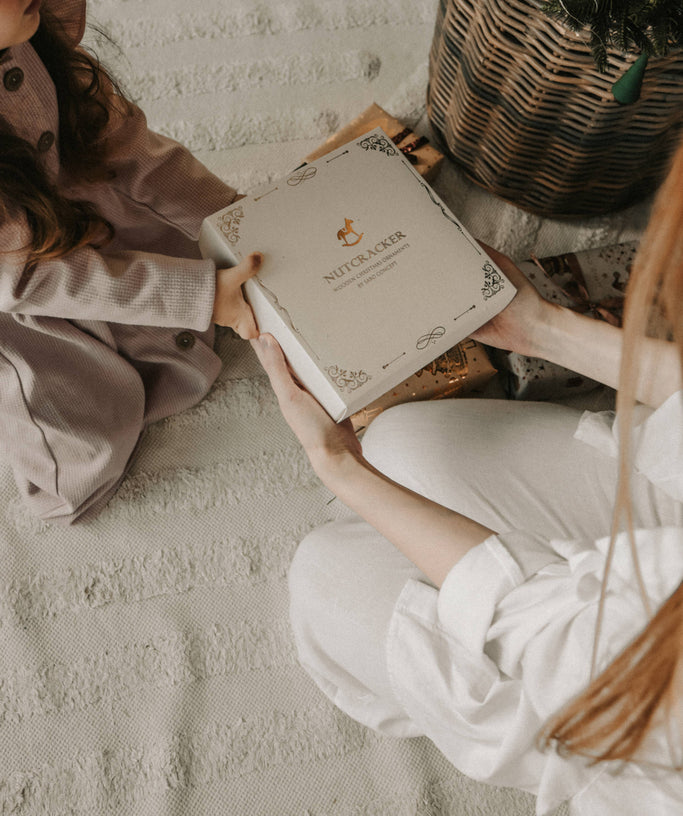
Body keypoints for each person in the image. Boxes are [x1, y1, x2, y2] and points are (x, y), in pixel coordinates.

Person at [252, 134, 683, 813]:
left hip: (623, 710)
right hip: (653, 566)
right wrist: (537, 327)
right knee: (403, 443)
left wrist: (339, 469)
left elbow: (526, 618)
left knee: (325, 574)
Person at [0, 0, 261, 523]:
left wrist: (236, 219)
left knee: (174, 249)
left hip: (59, 218)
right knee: (83, 442)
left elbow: (134, 149)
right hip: (18, 284)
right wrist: (201, 294)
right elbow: (31, 277)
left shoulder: (30, 37)